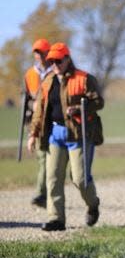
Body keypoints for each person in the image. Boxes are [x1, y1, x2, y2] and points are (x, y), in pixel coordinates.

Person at [27, 42, 104, 231]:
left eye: (59, 61)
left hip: (78, 134)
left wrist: (79, 108)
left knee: (80, 179)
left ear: (68, 59)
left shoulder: (85, 79)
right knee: (52, 177)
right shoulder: (47, 82)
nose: (55, 65)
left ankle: (93, 205)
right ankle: (56, 219)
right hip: (55, 134)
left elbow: (98, 102)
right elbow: (40, 111)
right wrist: (33, 134)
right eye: (52, 61)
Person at [24, 38, 53, 208]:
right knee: (43, 158)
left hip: (53, 121)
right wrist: (31, 105)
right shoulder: (29, 74)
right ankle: (42, 194)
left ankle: (44, 193)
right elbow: (26, 98)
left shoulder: (55, 72)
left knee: (50, 159)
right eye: (37, 52)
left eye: (42, 52)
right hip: (37, 122)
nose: (39, 56)